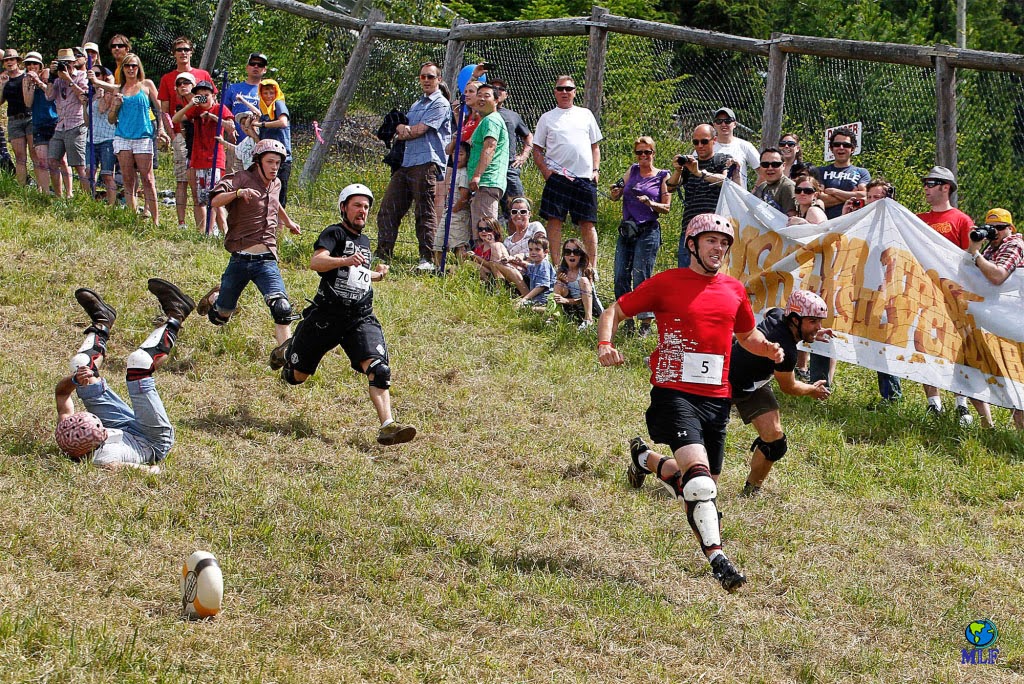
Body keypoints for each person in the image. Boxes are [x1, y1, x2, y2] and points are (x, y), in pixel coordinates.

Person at [598, 213, 785, 592]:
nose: (719, 248)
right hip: (674, 393)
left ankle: (644, 459)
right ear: (692, 245)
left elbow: (747, 336)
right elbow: (614, 310)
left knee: (700, 486)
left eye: (724, 243)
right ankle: (719, 560)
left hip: (716, 401)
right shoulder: (667, 282)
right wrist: (605, 343)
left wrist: (768, 348)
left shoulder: (734, 290)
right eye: (711, 241)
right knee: (700, 487)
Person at [269, 184, 417, 446]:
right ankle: (288, 350)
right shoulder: (334, 233)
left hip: (359, 317)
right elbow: (317, 262)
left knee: (379, 369)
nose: (363, 211)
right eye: (357, 205)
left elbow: (357, 274)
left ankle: (388, 426)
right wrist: (344, 260)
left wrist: (378, 275)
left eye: (366, 207)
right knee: (295, 377)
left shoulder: (365, 242)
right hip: (325, 317)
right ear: (343, 207)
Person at [53, 279, 195, 473]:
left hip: (119, 426)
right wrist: (147, 469)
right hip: (151, 440)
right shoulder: (103, 458)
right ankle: (177, 313)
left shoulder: (67, 432)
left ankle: (102, 322)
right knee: (139, 363)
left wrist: (75, 380)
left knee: (80, 365)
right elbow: (150, 470)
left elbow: (62, 394)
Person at [199, 139, 302, 351]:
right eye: (270, 162)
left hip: (266, 260)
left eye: (278, 163)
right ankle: (216, 297)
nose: (274, 167)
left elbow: (274, 202)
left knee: (282, 309)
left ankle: (286, 358)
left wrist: (289, 222)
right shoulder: (241, 178)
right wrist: (238, 193)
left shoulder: (276, 183)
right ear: (258, 161)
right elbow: (215, 201)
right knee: (220, 317)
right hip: (240, 258)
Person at [916, 166, 991, 426]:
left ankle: (961, 402)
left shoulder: (961, 220)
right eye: (925, 183)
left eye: (931, 183)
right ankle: (933, 403)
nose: (925, 188)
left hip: (953, 297)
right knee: (925, 345)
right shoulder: (918, 219)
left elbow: (971, 259)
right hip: (923, 293)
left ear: (945, 187)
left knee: (957, 349)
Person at [376, 61, 452, 270]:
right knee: (388, 208)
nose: (426, 80)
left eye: (430, 76)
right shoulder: (416, 104)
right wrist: (402, 127)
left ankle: (427, 259)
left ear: (439, 80)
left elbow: (419, 130)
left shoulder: (441, 103)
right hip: (405, 162)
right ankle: (382, 254)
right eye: (423, 76)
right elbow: (407, 130)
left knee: (424, 211)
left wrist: (401, 129)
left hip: (427, 162)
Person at [532, 75, 603, 273]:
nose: (565, 92)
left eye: (568, 89)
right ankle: (557, 267)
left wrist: (595, 170)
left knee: (588, 223)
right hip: (558, 179)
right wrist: (546, 172)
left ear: (575, 92)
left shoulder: (586, 114)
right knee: (554, 221)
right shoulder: (547, 117)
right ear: (555, 92)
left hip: (584, 178)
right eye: (561, 89)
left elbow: (595, 146)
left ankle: (592, 267)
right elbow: (536, 149)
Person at [842, 177, 903, 404]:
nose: (872, 201)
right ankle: (886, 395)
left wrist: (886, 290)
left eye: (878, 197)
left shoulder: (893, 226)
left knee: (882, 345)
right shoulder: (863, 223)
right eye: (869, 197)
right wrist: (846, 215)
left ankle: (893, 396)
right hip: (860, 293)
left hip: (882, 295)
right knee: (868, 345)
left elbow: (893, 262)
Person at [966, 207, 1024, 430]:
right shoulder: (990, 247)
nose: (995, 232)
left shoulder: (1015, 244)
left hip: (1014, 327)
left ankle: (1019, 438)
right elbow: (967, 272)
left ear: (1010, 228)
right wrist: (974, 246)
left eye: (1000, 228)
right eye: (991, 229)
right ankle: (987, 426)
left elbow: (998, 276)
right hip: (993, 323)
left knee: (1016, 383)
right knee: (967, 369)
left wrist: (976, 254)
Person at [90, 54, 164, 223]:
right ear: (122, 69)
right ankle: (132, 216)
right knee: (128, 178)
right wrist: (115, 106)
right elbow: (111, 119)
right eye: (127, 66)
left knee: (148, 179)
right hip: (122, 137)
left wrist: (161, 129)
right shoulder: (119, 89)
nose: (131, 69)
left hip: (143, 137)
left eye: (134, 65)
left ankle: (155, 220)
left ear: (139, 68)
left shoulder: (147, 85)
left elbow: (160, 109)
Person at [609, 135, 670, 336]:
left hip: (648, 230)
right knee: (620, 274)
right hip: (628, 229)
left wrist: (650, 203)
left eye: (647, 152)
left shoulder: (663, 176)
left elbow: (667, 207)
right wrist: (615, 192)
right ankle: (626, 318)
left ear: (653, 153)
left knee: (640, 275)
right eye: (639, 152)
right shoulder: (633, 170)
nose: (643, 156)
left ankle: (645, 322)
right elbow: (616, 193)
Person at [666, 124, 732, 267]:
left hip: (714, 229)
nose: (700, 146)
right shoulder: (689, 165)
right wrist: (678, 170)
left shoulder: (722, 160)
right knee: (686, 273)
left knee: (711, 271)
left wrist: (699, 173)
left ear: (714, 140)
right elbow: (670, 187)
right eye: (696, 142)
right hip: (690, 228)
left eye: (704, 141)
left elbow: (725, 181)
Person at [173, 79, 235, 234]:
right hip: (198, 160)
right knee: (202, 198)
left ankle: (217, 230)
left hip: (215, 159)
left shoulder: (220, 108)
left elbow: (230, 127)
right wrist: (190, 104)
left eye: (206, 95)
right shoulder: (195, 110)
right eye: (200, 96)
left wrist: (212, 117)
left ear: (213, 95)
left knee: (215, 197)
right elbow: (175, 119)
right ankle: (206, 231)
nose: (203, 98)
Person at [46, 47, 90, 197]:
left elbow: (84, 96)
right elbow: (49, 96)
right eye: (62, 63)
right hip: (60, 125)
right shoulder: (57, 79)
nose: (66, 66)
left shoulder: (82, 76)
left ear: (73, 63)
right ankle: (59, 196)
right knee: (52, 161)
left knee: (79, 165)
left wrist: (69, 80)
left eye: (68, 63)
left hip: (76, 124)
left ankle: (86, 198)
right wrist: (52, 77)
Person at [467, 83, 509, 231]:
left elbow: (490, 146)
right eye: (479, 95)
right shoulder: (486, 120)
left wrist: (477, 175)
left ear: (496, 101)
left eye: (487, 96)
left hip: (487, 182)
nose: (482, 99)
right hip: (486, 183)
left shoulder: (491, 120)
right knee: (481, 232)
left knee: (486, 232)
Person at [489, 78, 533, 219]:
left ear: (506, 95)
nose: (497, 91)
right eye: (493, 88)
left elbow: (528, 136)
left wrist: (524, 155)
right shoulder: (480, 112)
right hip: (487, 168)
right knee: (487, 211)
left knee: (517, 208)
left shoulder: (513, 115)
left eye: (501, 89)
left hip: (509, 167)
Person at [162, 71, 197, 227]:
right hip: (183, 142)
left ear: (193, 85)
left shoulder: (202, 98)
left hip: (201, 144)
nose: (183, 86)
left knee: (200, 185)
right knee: (181, 181)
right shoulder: (179, 104)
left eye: (186, 83)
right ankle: (181, 222)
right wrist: (173, 137)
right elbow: (174, 118)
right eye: (179, 84)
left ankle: (206, 224)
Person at [223, 53, 267, 174]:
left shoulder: (268, 91)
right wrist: (229, 129)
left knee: (257, 177)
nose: (256, 66)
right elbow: (224, 112)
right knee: (234, 177)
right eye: (253, 63)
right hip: (236, 142)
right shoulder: (233, 88)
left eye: (260, 65)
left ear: (265, 69)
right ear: (247, 67)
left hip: (258, 142)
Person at [22, 52, 57, 194]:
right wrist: (30, 84)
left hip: (54, 121)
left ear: (40, 65)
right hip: (38, 123)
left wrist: (38, 81)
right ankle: (46, 193)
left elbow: (50, 94)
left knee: (58, 161)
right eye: (29, 64)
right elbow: (28, 103)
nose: (32, 66)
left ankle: (62, 194)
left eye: (35, 63)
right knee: (42, 160)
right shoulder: (26, 79)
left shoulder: (48, 75)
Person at [433, 140, 472, 267]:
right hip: (448, 213)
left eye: (461, 154)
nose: (457, 157)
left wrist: (454, 209)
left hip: (458, 214)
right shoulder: (454, 172)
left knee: (459, 244)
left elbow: (464, 196)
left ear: (467, 156)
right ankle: (439, 268)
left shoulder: (464, 173)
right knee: (438, 242)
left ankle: (463, 269)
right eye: (454, 154)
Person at [819, 127, 869, 220]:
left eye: (846, 145)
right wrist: (852, 195)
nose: (841, 148)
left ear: (852, 149)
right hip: (827, 223)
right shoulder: (820, 171)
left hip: (853, 222)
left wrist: (835, 192)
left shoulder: (862, 172)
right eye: (837, 144)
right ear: (831, 148)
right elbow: (820, 199)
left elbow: (865, 196)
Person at [87, 65, 118, 205]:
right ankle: (89, 201)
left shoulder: (109, 93)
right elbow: (87, 120)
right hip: (91, 139)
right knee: (89, 172)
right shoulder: (90, 94)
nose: (93, 77)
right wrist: (85, 103)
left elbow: (101, 109)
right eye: (91, 74)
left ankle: (111, 205)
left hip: (107, 139)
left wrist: (100, 91)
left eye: (97, 74)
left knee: (107, 174)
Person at [553, 238, 601, 329]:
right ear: (564, 255)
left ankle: (588, 320)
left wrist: (566, 300)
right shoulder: (562, 271)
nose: (572, 255)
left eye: (576, 252)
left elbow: (589, 297)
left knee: (583, 280)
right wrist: (562, 283)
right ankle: (554, 316)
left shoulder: (585, 270)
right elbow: (558, 294)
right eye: (567, 252)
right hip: (570, 309)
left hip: (587, 308)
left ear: (581, 255)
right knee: (558, 283)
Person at [0, 49, 30, 185]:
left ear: (18, 61)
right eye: (6, 60)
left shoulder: (26, 75)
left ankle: (42, 188)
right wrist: (2, 85)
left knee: (36, 154)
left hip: (29, 117)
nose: (9, 62)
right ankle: (22, 187)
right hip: (14, 119)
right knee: (20, 157)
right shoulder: (3, 79)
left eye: (12, 59)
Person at [711, 106, 759, 188]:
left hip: (737, 195)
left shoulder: (745, 146)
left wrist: (753, 193)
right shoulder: (706, 145)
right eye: (719, 121)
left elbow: (763, 172)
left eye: (728, 121)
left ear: (735, 124)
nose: (723, 124)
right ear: (714, 125)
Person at [515, 236, 557, 308]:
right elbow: (528, 266)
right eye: (530, 250)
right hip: (537, 299)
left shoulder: (544, 264)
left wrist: (525, 298)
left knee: (520, 307)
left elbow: (541, 286)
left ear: (546, 252)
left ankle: (546, 309)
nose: (533, 252)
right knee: (515, 304)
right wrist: (519, 261)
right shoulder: (536, 265)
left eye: (537, 249)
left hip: (544, 299)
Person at [752, 147, 796, 216]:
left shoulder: (787, 187)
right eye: (765, 164)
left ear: (783, 166)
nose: (770, 168)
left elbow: (791, 217)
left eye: (775, 164)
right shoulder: (762, 187)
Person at [470, 217, 510, 285]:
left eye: (488, 229)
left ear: (495, 231)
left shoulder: (498, 246)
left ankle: (492, 285)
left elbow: (495, 265)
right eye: (480, 229)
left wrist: (475, 257)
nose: (483, 231)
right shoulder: (478, 249)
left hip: (497, 276)